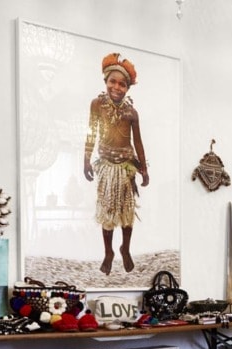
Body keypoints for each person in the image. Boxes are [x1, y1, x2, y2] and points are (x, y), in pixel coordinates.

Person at [84, 52, 148, 275]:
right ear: (106, 80)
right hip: (107, 167)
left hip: (126, 167)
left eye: (122, 84)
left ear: (128, 88)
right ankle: (108, 252)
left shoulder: (131, 113)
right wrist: (86, 159)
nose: (117, 87)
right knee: (108, 211)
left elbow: (137, 142)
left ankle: (125, 248)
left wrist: (144, 169)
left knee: (127, 212)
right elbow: (91, 133)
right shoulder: (97, 105)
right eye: (113, 81)